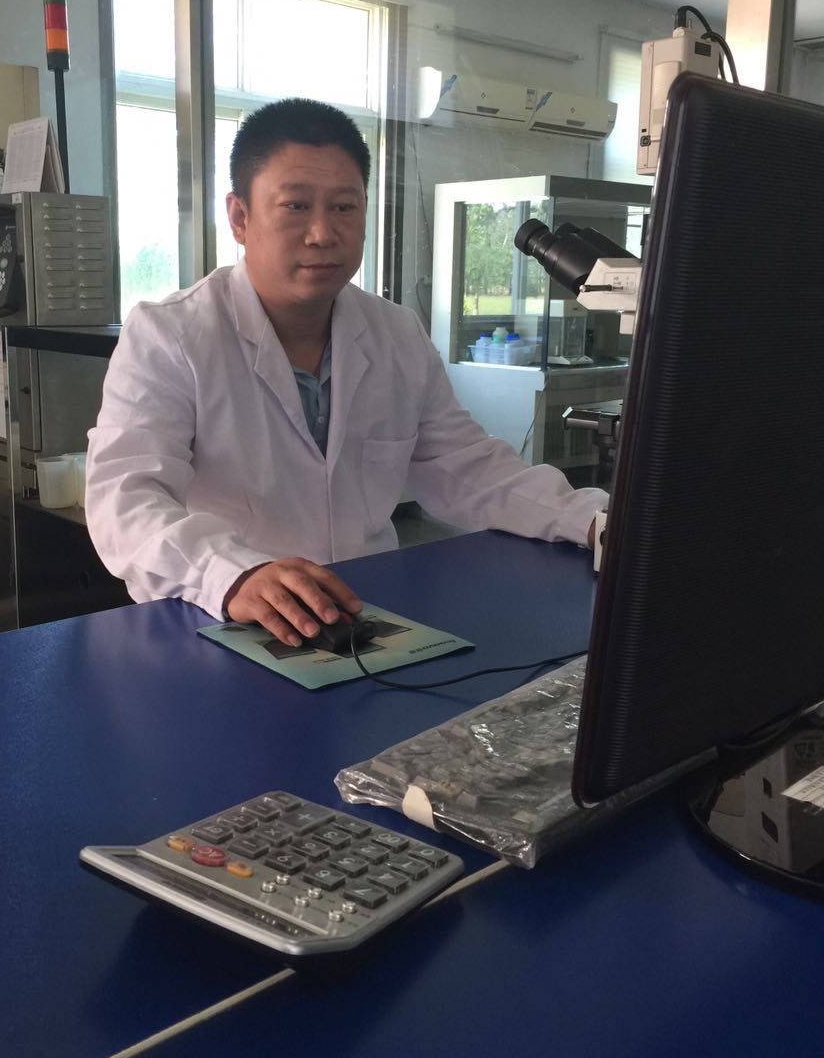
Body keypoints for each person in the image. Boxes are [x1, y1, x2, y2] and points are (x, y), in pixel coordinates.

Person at [85, 98, 607, 648]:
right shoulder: (171, 334)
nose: (322, 233)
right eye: (295, 206)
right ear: (240, 217)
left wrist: (593, 521)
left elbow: (468, 469)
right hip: (223, 621)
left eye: (343, 207)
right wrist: (231, 574)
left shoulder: (396, 334)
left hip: (367, 617)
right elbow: (125, 497)